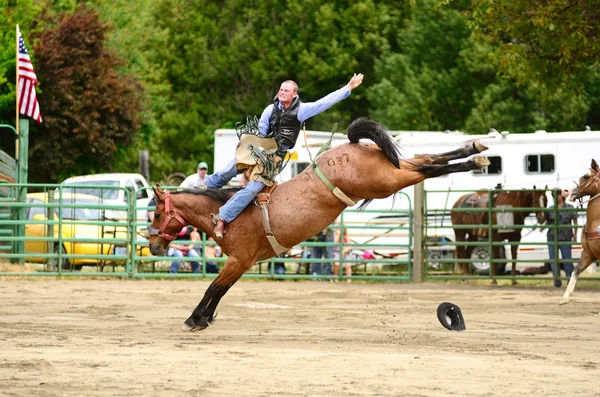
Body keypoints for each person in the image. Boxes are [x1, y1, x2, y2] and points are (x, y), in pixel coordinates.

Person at [206, 73, 365, 239]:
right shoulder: (270, 109)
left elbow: (324, 103)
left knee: (252, 189)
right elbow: (261, 131)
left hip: (275, 157)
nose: (281, 92)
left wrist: (348, 88)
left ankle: (223, 217)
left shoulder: (301, 111)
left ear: (294, 94)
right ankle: (207, 186)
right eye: (281, 89)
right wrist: (254, 148)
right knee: (230, 168)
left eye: (286, 90)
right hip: (260, 147)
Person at [545, 188, 578, 288]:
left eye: (557, 195)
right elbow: (548, 221)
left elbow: (575, 221)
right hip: (552, 236)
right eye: (554, 196)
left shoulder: (569, 208)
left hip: (565, 236)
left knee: (567, 259)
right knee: (553, 259)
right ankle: (557, 280)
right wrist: (542, 227)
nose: (556, 197)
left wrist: (575, 235)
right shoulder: (550, 209)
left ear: (561, 195)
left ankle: (569, 279)